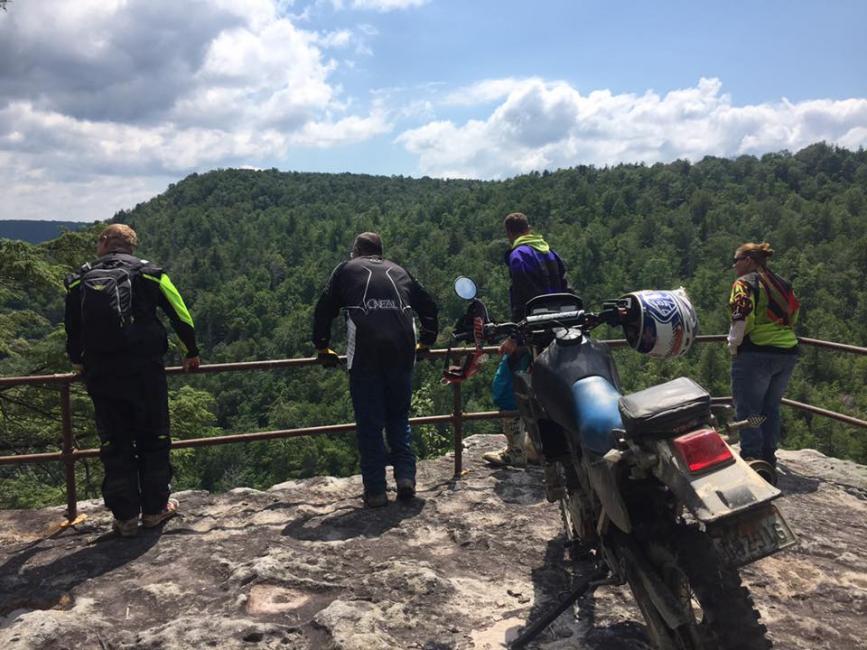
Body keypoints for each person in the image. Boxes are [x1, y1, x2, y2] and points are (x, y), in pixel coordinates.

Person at [64, 224, 200, 537]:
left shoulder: (79, 279)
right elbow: (181, 315)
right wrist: (191, 352)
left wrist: (78, 361)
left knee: (115, 442)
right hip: (145, 372)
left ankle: (125, 517)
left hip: (101, 374)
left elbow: (73, 328)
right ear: (131, 247)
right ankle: (155, 510)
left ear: (103, 243)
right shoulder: (150, 274)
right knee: (154, 438)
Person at [312, 232, 438, 508]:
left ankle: (376, 492)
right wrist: (427, 341)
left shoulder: (346, 270)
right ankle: (406, 478)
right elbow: (429, 307)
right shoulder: (399, 270)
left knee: (370, 423)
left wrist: (322, 347)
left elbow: (324, 310)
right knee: (398, 417)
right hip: (403, 351)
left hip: (367, 353)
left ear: (356, 251)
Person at [483, 212, 569, 467]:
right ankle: (537, 447)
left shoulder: (519, 256)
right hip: (558, 333)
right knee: (545, 392)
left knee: (504, 387)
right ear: (529, 228)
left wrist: (514, 337)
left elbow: (522, 301)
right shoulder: (550, 253)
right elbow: (566, 291)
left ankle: (517, 452)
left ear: (509, 234)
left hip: (532, 336)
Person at [728, 241, 800, 478]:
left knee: (749, 410)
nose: (734, 266)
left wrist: (733, 345)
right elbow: (794, 313)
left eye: (736, 260)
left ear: (748, 260)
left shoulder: (744, 284)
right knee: (770, 406)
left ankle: (753, 460)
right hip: (786, 353)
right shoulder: (784, 284)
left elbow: (741, 316)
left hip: (755, 353)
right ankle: (768, 456)